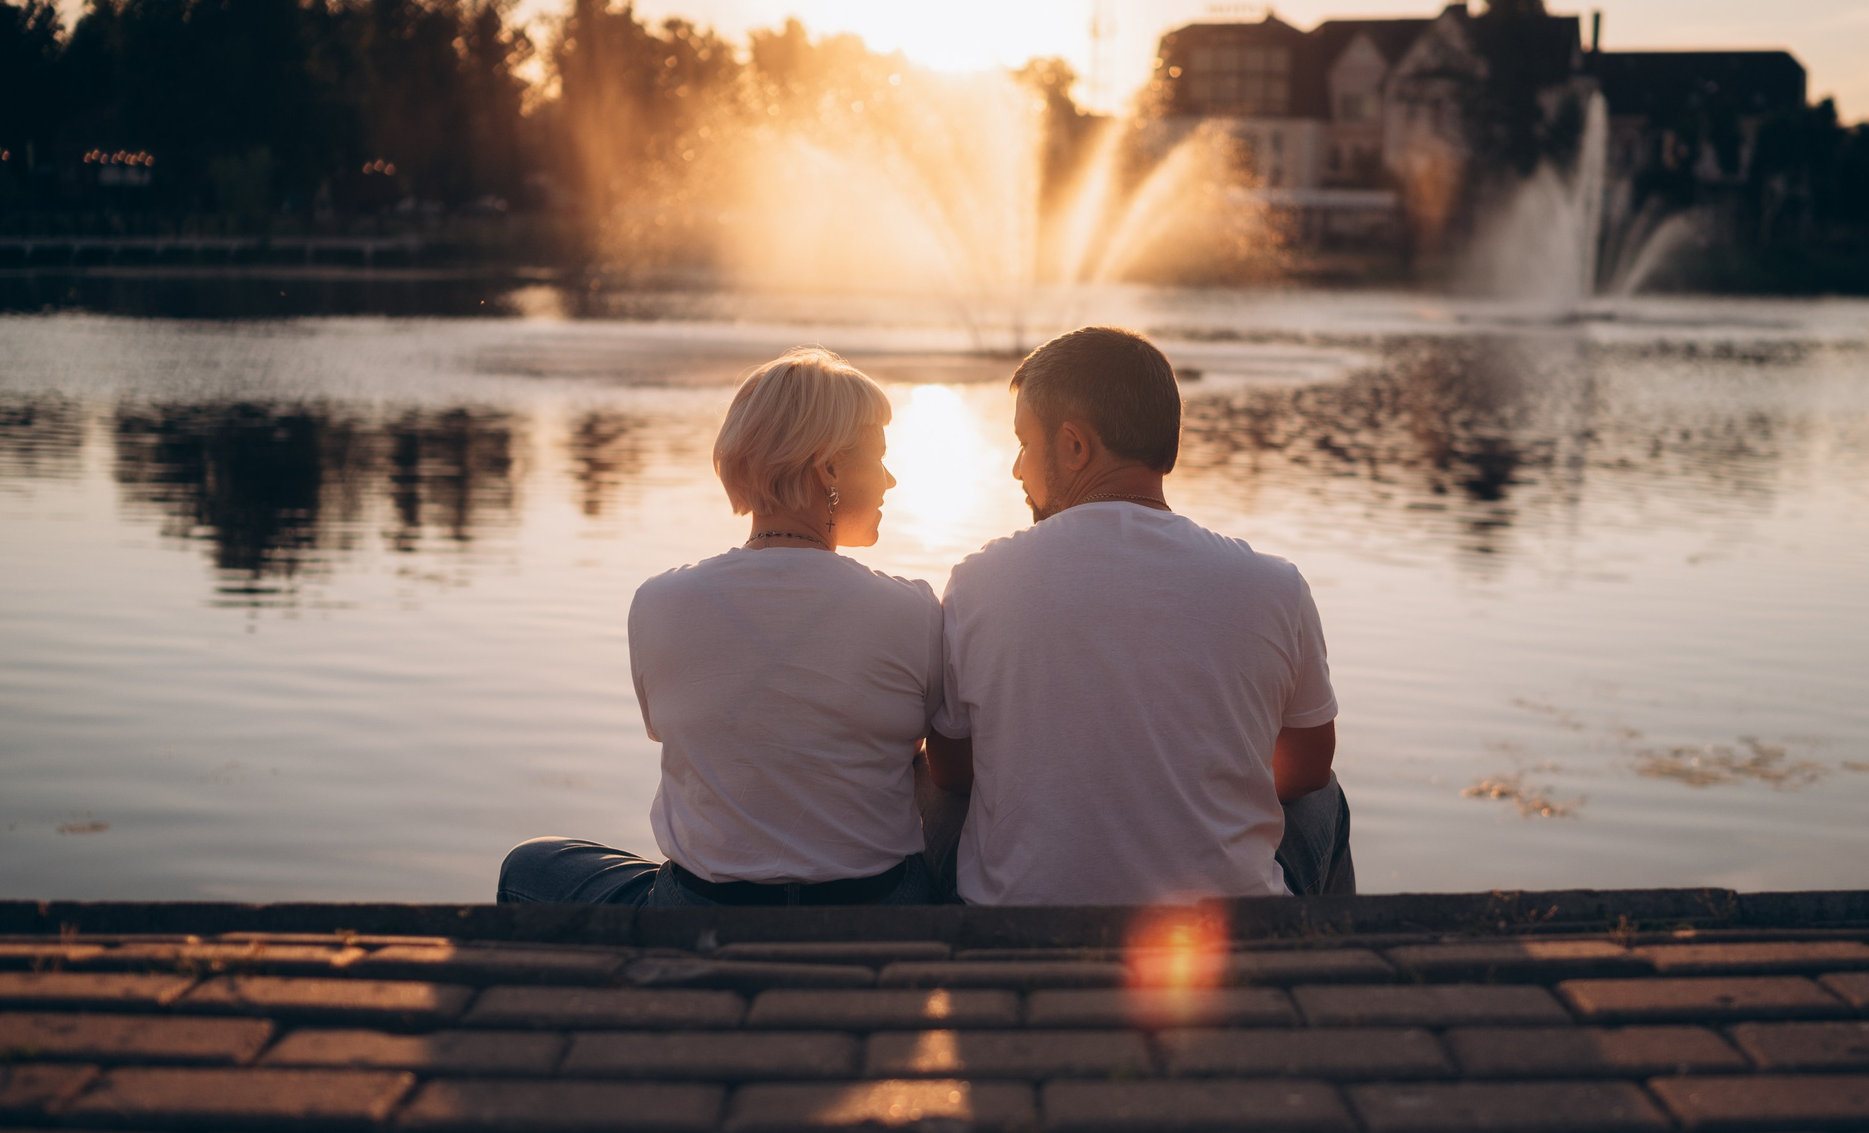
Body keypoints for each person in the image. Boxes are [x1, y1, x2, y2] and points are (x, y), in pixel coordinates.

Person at [498, 348, 945, 907]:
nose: (892, 479)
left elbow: (692, 735)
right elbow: (947, 773)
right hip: (875, 913)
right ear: (828, 468)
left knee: (528, 868)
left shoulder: (659, 603)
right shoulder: (913, 610)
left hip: (701, 917)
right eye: (879, 457)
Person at [924, 325, 1354, 906]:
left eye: (1024, 442)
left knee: (936, 795)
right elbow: (1305, 770)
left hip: (1022, 923)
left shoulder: (980, 582)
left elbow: (951, 771)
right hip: (1224, 926)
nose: (1017, 468)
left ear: (1075, 447)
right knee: (1327, 800)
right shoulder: (1276, 586)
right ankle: (1333, 966)